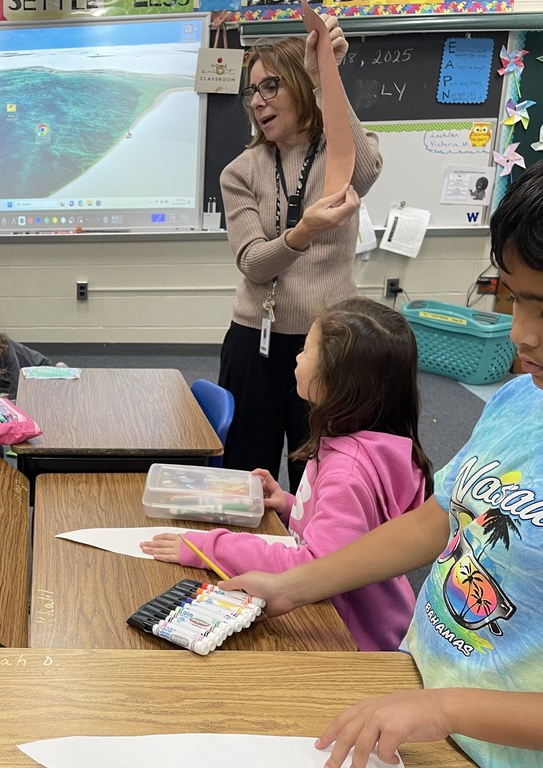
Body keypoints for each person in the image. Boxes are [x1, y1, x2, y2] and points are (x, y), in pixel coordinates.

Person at [221, 161, 543, 768]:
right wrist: (293, 586)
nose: (519, 336)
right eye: (515, 299)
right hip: (414, 690)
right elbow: (441, 518)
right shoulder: (523, 399)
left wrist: (446, 709)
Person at [141, 297, 430, 651]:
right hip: (354, 615)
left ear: (337, 379)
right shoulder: (362, 444)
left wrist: (208, 547)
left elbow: (313, 566)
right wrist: (291, 505)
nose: (297, 357)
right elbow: (349, 530)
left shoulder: (348, 470)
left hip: (352, 637)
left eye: (306, 350)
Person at [218, 15, 383, 493]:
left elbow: (367, 169)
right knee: (246, 471)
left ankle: (314, 562)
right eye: (252, 91)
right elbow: (252, 262)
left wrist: (324, 76)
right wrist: (301, 232)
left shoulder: (338, 154)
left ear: (299, 83)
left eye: (271, 85)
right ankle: (246, 559)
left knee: (324, 473)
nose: (258, 100)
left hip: (328, 344)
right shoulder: (240, 171)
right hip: (256, 341)